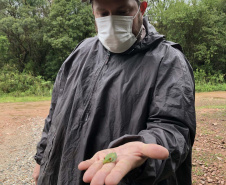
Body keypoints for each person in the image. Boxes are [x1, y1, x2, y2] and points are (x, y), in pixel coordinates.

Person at [33, 0, 196, 184]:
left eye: (122, 12)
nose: (112, 22)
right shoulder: (80, 52)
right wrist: (42, 159)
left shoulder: (168, 61)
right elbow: (55, 112)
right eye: (103, 14)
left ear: (141, 8)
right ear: (93, 12)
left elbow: (173, 128)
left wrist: (143, 148)